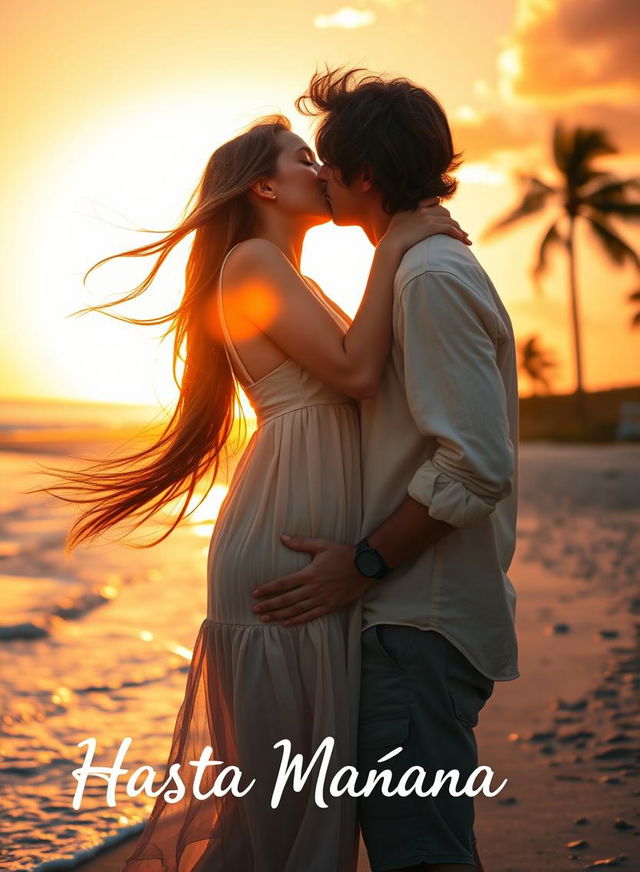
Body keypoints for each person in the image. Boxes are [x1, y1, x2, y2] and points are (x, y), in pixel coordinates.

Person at [42, 114, 469, 872]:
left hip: (300, 522)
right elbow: (357, 373)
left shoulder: (287, 274)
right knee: (281, 804)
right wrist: (397, 245)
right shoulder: (250, 261)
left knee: (303, 792)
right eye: (305, 157)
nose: (323, 168)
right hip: (281, 533)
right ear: (265, 184)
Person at [252, 70, 520, 872]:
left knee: (419, 853)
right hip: (410, 620)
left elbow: (474, 468)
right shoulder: (413, 268)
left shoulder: (428, 277)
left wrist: (363, 564)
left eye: (327, 164)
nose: (320, 176)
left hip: (417, 620)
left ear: (363, 175)